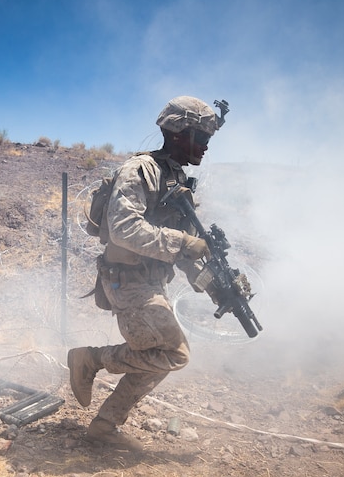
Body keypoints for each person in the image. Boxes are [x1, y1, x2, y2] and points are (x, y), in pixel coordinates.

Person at [67, 96, 228, 452]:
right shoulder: (141, 171)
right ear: (176, 133)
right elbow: (123, 228)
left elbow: (184, 253)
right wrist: (184, 241)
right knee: (175, 353)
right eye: (199, 138)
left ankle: (105, 427)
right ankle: (90, 359)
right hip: (127, 280)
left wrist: (217, 288)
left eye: (207, 140)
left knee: (157, 357)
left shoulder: (177, 177)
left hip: (149, 281)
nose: (204, 147)